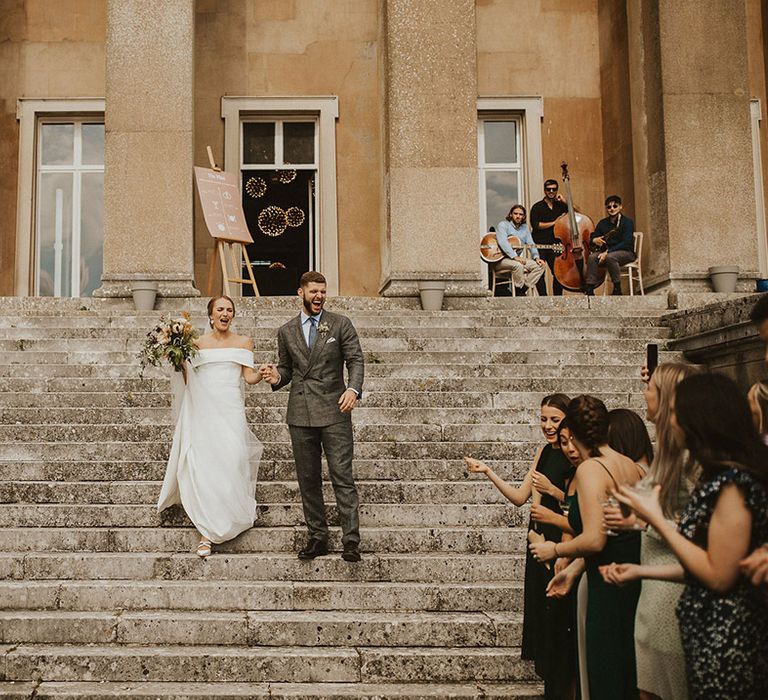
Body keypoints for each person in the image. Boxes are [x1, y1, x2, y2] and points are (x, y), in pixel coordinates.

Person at [613, 373, 768, 700]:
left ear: (699, 420)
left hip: (728, 640)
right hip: (706, 635)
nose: (670, 420)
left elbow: (719, 574)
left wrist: (654, 516)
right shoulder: (717, 478)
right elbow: (705, 561)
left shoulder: (732, 486)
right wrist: (641, 570)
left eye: (676, 413)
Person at [530, 394, 644, 700]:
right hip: (632, 578)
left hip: (606, 582)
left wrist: (555, 551)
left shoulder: (591, 470)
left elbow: (595, 538)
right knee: (626, 673)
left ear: (575, 433)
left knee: (603, 673)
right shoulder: (631, 466)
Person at [465, 393, 575, 700]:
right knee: (542, 616)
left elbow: (583, 506)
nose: (548, 426)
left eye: (555, 419)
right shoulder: (543, 452)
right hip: (536, 541)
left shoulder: (575, 455)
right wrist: (487, 471)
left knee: (558, 621)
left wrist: (554, 491)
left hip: (560, 541)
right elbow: (519, 496)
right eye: (543, 419)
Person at [603, 363, 698, 700]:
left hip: (672, 590)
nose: (644, 391)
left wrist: (646, 520)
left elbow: (697, 532)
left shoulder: (688, 459)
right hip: (651, 586)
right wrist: (634, 521)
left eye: (651, 388)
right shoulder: (666, 455)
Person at [260, 271, 364, 562]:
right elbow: (286, 371)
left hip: (335, 410)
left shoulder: (340, 324)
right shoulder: (286, 330)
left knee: (342, 477)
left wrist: (353, 389)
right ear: (301, 293)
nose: (319, 296)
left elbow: (356, 359)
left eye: (323, 292)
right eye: (313, 292)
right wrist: (274, 376)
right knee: (308, 480)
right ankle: (318, 537)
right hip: (301, 413)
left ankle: (351, 541)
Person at [157, 295, 264, 558]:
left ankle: (226, 513)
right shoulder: (195, 343)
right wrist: (175, 355)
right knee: (207, 468)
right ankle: (206, 532)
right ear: (211, 315)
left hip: (230, 410)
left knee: (230, 462)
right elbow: (188, 377)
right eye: (220, 309)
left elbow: (248, 377)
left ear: (233, 315)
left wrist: (263, 372)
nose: (225, 313)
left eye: (229, 310)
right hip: (204, 411)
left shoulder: (244, 342)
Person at [585, 195, 635, 296]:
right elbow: (593, 236)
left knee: (610, 257)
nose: (612, 209)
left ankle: (617, 289)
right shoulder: (603, 223)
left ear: (620, 207)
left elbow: (627, 242)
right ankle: (590, 289)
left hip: (626, 253)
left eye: (615, 206)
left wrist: (607, 252)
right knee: (592, 257)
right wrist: (594, 239)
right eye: (609, 207)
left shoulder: (627, 222)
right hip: (607, 253)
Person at [494, 205, 546, 295]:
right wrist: (515, 257)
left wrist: (536, 257)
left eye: (521, 214)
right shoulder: (503, 225)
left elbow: (531, 244)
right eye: (515, 213)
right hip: (501, 260)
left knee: (540, 266)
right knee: (518, 265)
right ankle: (519, 289)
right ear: (510, 214)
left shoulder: (525, 228)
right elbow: (503, 242)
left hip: (516, 260)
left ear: (524, 217)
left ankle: (522, 289)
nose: (518, 216)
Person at [530, 179, 568, 296]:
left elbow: (576, 212)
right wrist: (554, 222)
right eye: (548, 189)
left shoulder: (560, 205)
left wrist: (566, 202)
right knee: (540, 271)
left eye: (554, 189)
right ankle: (544, 298)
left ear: (557, 190)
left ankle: (557, 298)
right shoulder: (537, 207)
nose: (551, 191)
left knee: (558, 272)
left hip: (555, 243)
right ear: (544, 190)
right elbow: (536, 225)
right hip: (540, 243)